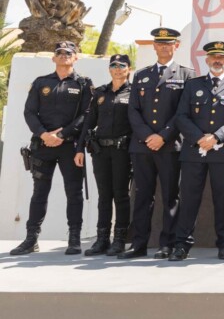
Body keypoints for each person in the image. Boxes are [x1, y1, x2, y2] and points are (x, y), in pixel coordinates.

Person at [169, 41, 224, 261]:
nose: (217, 60)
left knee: (222, 200)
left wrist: (215, 137)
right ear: (207, 60)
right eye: (214, 57)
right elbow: (181, 116)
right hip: (193, 152)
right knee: (189, 200)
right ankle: (181, 245)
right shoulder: (193, 85)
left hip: (222, 154)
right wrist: (199, 138)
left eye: (221, 57)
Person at [11, 41, 92, 256]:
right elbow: (29, 112)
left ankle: (74, 238)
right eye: (60, 53)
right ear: (53, 58)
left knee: (74, 193)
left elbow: (86, 115)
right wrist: (44, 134)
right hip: (43, 145)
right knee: (39, 193)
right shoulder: (41, 83)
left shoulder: (83, 83)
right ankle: (31, 239)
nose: (64, 55)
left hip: (70, 147)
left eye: (69, 53)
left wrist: (62, 134)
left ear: (76, 57)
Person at [122, 27, 195, 259]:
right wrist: (147, 136)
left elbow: (184, 112)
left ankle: (168, 244)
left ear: (177, 46)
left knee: (171, 196)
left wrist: (162, 135)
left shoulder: (186, 75)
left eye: (169, 43)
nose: (164, 47)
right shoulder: (141, 75)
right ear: (154, 46)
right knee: (142, 195)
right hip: (142, 146)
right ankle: (138, 244)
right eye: (160, 43)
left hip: (170, 145)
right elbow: (133, 110)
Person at [76, 53, 134, 256]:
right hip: (100, 151)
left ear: (129, 69)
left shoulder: (134, 92)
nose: (118, 69)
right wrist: (79, 148)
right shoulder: (100, 92)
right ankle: (102, 239)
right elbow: (89, 122)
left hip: (122, 151)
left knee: (120, 194)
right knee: (103, 195)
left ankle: (119, 239)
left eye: (122, 65)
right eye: (114, 65)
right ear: (110, 69)